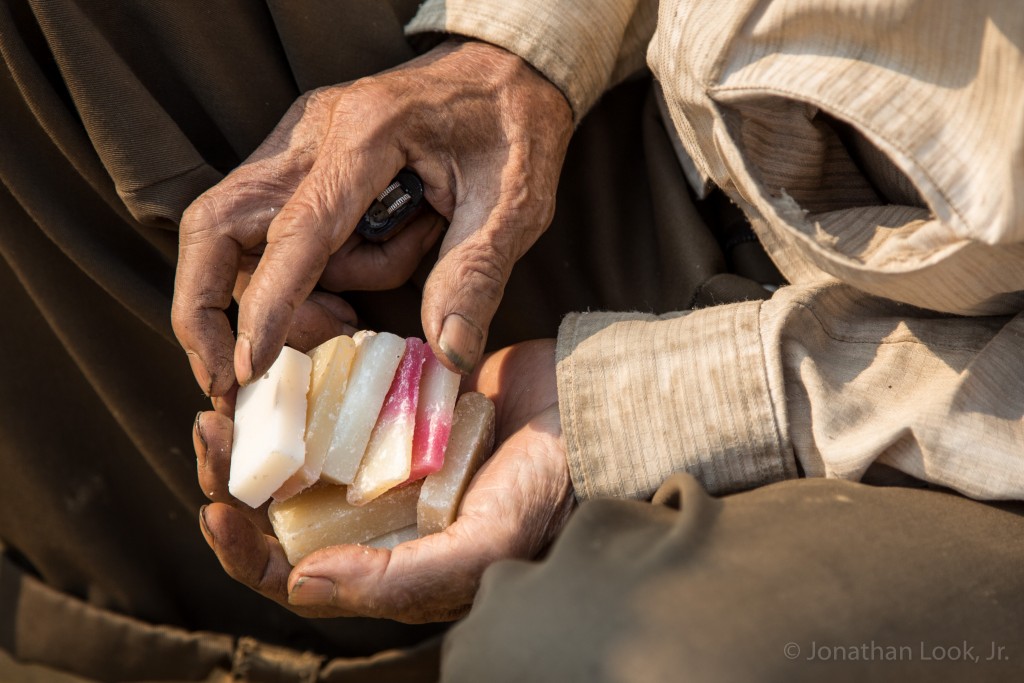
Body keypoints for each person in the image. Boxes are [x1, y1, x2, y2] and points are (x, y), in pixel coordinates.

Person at [2, 0, 1022, 681]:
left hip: (951, 422)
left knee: (593, 653)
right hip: (694, 146)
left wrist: (658, 401)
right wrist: (518, 55)